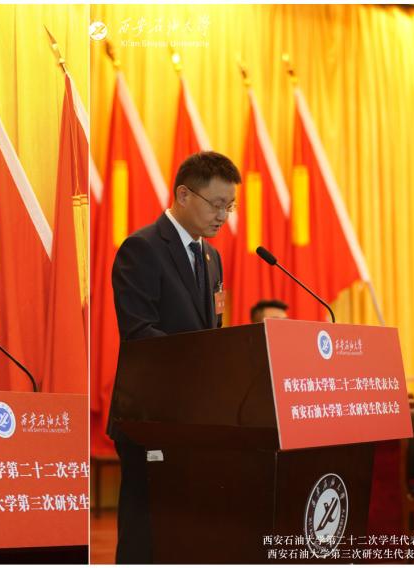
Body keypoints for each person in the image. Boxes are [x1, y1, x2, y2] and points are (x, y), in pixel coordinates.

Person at [108, 150, 241, 564]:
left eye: (230, 206)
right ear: (183, 195)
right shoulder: (142, 248)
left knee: (187, 536)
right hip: (151, 417)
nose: (223, 216)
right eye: (216, 204)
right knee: (146, 538)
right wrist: (201, 368)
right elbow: (139, 334)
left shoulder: (211, 257)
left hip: (195, 421)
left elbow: (212, 329)